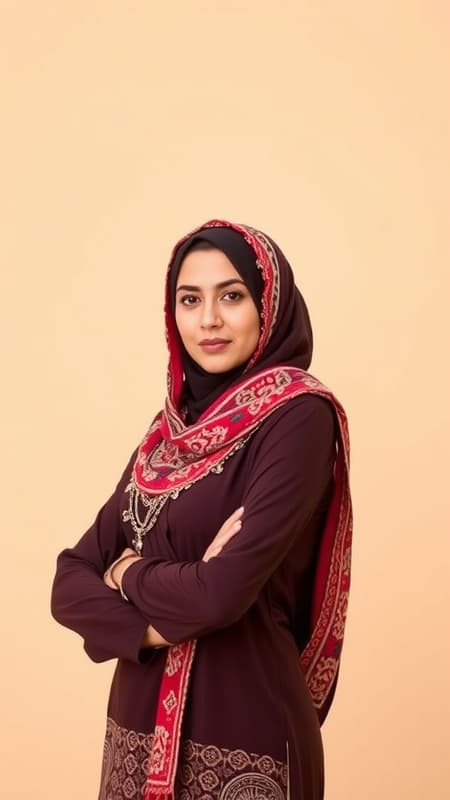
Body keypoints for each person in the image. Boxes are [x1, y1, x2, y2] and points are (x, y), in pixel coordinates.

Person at [51, 220, 352, 800]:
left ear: (270, 306)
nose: (208, 320)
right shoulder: (166, 437)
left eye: (232, 296)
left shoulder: (297, 418)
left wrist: (128, 573)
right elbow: (68, 581)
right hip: (136, 735)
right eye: (190, 300)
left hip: (244, 731)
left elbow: (222, 594)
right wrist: (160, 625)